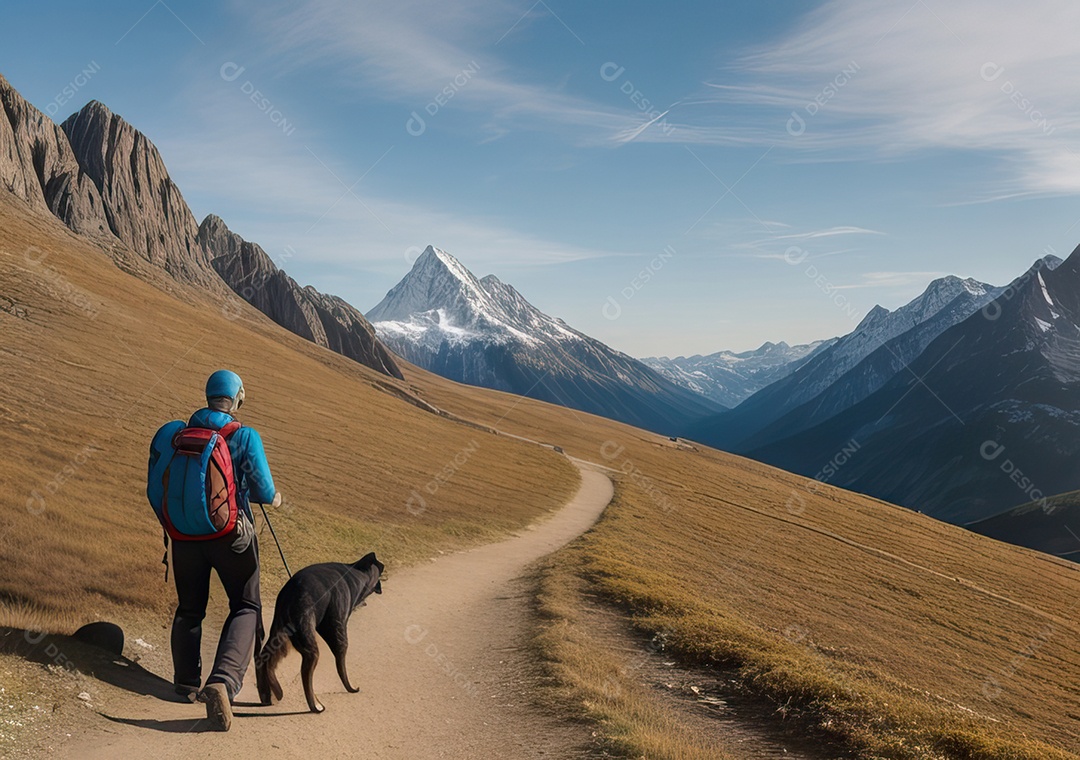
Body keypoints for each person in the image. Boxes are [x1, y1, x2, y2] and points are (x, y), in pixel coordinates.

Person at [147, 369, 281, 731]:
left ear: (207, 396)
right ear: (237, 399)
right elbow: (265, 491)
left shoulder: (173, 434)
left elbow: (155, 490)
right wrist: (275, 498)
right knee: (246, 605)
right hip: (232, 538)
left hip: (185, 540)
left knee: (190, 608)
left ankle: (186, 683)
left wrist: (176, 524)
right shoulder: (243, 436)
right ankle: (223, 682)